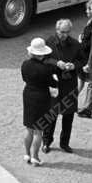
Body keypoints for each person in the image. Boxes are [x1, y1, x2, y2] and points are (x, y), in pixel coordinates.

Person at [40, 19, 84, 154]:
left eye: (66, 32)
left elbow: (82, 60)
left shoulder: (75, 44)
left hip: (69, 83)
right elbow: (43, 59)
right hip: (54, 82)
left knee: (68, 115)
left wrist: (74, 65)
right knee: (51, 113)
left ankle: (65, 143)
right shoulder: (49, 42)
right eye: (61, 32)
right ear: (56, 30)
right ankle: (46, 142)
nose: (64, 34)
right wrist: (56, 62)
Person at [21, 37, 58, 166]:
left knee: (29, 128)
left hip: (28, 94)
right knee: (38, 130)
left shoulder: (25, 64)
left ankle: (27, 154)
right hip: (41, 96)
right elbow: (53, 83)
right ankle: (35, 156)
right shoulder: (46, 68)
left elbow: (24, 78)